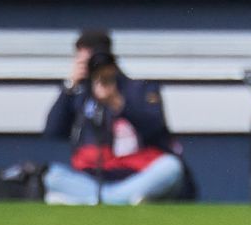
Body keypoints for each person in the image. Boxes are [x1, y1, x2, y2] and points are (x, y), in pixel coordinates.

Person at [42, 30, 187, 205]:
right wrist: (69, 86)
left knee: (171, 168)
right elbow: (53, 130)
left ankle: (99, 200)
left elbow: (156, 130)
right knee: (53, 176)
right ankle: (115, 198)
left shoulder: (139, 89)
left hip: (138, 173)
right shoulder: (81, 95)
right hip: (96, 178)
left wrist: (118, 103)